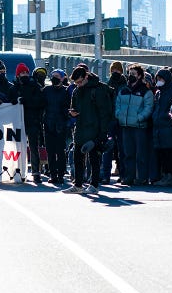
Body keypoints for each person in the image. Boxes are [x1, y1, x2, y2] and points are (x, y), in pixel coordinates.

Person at [64, 66, 113, 194]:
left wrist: (103, 133)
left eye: (80, 81)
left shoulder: (98, 89)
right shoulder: (76, 91)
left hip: (94, 129)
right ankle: (78, 185)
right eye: (76, 83)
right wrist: (72, 113)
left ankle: (94, 185)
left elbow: (104, 113)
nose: (78, 85)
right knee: (77, 157)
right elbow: (73, 107)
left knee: (94, 158)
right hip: (80, 128)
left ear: (86, 76)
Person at [115, 65, 154, 186]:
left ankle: (142, 177)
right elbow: (118, 105)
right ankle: (129, 177)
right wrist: (119, 116)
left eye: (133, 73)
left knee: (141, 154)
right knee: (128, 154)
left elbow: (148, 108)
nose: (131, 76)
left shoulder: (145, 91)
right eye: (129, 73)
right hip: (125, 125)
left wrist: (139, 118)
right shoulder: (123, 90)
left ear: (140, 76)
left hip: (139, 127)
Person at [14, 63, 46, 183]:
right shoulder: (14, 88)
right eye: (22, 73)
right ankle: (17, 170)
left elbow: (41, 102)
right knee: (17, 148)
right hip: (17, 123)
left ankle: (35, 172)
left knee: (33, 147)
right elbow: (9, 102)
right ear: (18, 75)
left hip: (32, 121)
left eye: (26, 72)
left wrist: (26, 102)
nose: (25, 75)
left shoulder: (35, 87)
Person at [152, 69, 172, 186]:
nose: (158, 81)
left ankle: (171, 176)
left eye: (161, 79)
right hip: (159, 127)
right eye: (157, 79)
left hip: (168, 127)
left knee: (170, 153)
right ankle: (166, 175)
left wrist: (164, 116)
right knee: (163, 153)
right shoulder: (158, 93)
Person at [43, 69, 69, 185]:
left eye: (57, 76)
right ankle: (53, 174)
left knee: (60, 151)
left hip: (60, 125)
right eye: (53, 76)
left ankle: (61, 174)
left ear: (63, 78)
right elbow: (41, 104)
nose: (55, 78)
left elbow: (69, 107)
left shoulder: (66, 91)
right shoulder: (46, 90)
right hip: (48, 124)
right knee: (50, 151)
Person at [103, 61, 128, 184]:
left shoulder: (125, 85)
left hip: (122, 120)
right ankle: (105, 175)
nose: (114, 72)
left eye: (117, 70)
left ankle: (123, 174)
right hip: (111, 119)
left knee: (122, 149)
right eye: (113, 70)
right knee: (108, 147)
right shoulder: (108, 84)